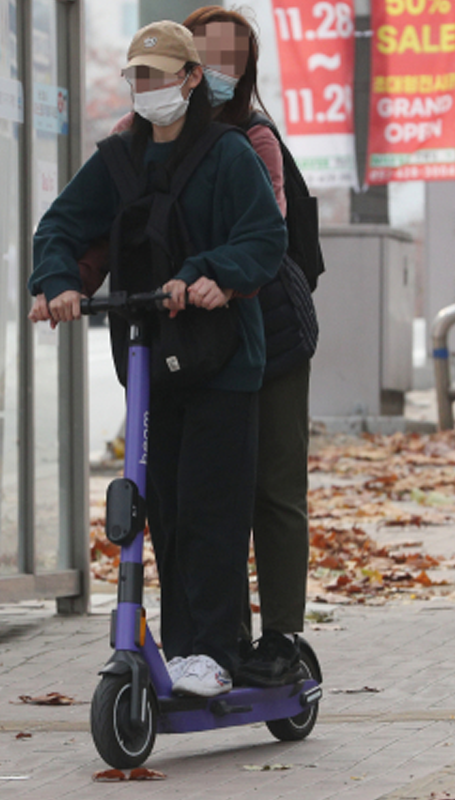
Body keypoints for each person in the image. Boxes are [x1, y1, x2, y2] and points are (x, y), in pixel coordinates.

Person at [28, 20, 287, 697]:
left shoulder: (229, 154)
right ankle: (184, 648)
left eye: (159, 75)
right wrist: (56, 282)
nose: (147, 88)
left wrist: (213, 273)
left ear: (192, 78)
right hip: (151, 359)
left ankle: (215, 650)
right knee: (163, 510)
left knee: (211, 507)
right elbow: (61, 224)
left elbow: (265, 237)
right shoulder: (119, 158)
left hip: (225, 360)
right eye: (137, 77)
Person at [181, 5, 315, 687]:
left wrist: (213, 276)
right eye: (206, 58)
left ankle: (282, 636)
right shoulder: (145, 137)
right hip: (201, 343)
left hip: (274, 335)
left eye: (232, 61)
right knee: (211, 487)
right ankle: (216, 638)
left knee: (272, 485)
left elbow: (265, 227)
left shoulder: (254, 137)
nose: (217, 73)